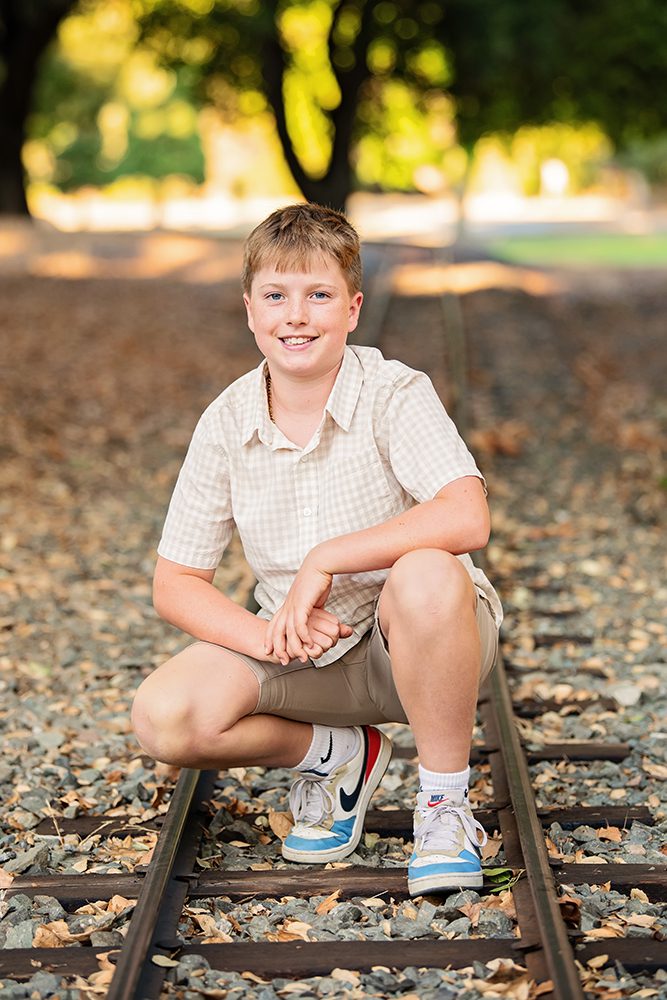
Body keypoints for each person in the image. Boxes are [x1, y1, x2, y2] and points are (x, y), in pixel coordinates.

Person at [131, 202, 503, 896]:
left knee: (425, 571)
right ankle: (338, 755)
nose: (295, 316)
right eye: (275, 296)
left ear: (353, 308)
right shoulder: (227, 421)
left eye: (318, 296)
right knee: (163, 716)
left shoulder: (394, 391)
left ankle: (444, 807)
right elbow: (176, 581)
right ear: (249, 310)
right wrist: (267, 636)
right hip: (306, 656)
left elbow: (465, 513)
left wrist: (326, 556)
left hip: (418, 646)